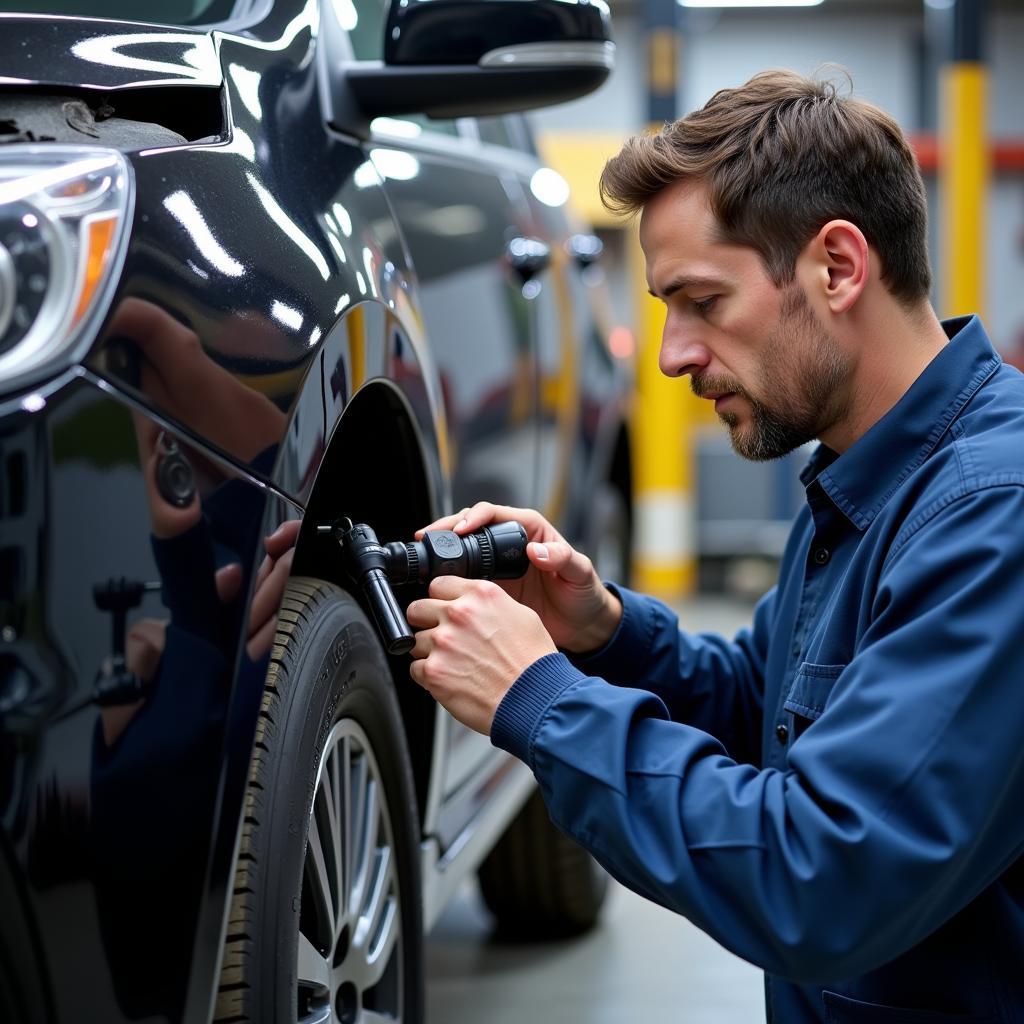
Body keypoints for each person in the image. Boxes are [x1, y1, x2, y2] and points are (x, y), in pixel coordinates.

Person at [404, 69, 1024, 1023]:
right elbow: (767, 709)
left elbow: (824, 875)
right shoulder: (870, 474)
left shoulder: (995, 513)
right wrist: (603, 631)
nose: (670, 356)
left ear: (838, 268)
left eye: (701, 301)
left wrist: (542, 701)